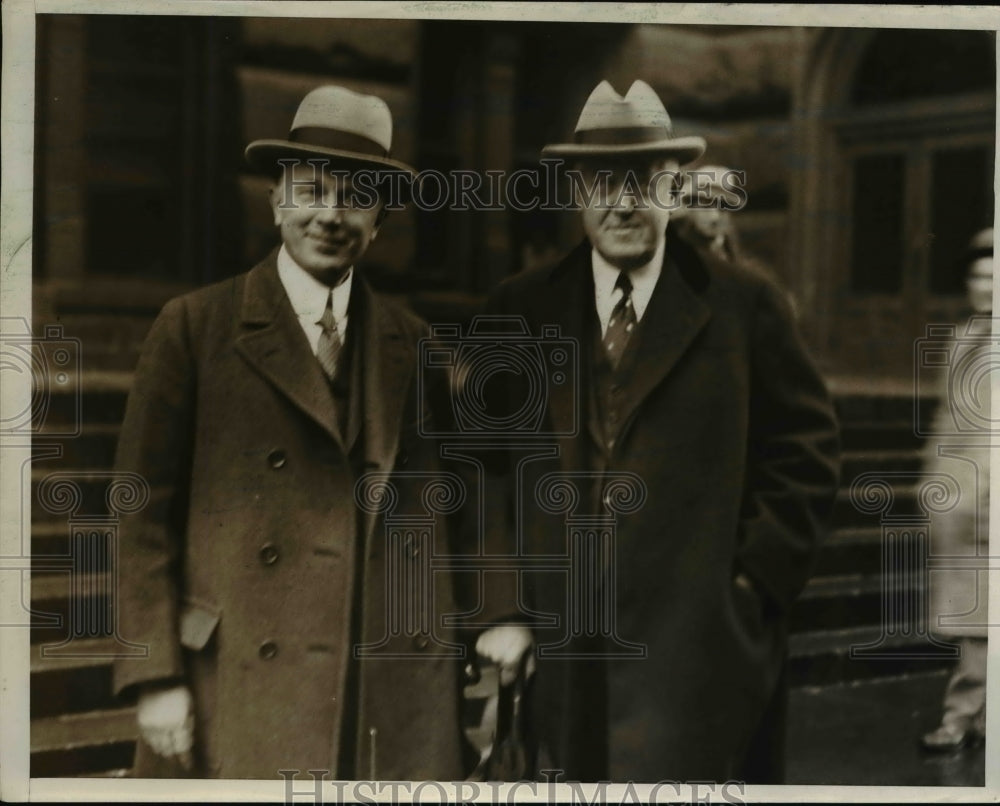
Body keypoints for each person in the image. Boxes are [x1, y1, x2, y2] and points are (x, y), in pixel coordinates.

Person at [475, 80, 841, 782]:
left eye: (644, 180)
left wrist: (750, 584)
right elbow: (481, 470)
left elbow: (808, 453)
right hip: (564, 652)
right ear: (576, 189)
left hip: (697, 654)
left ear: (674, 189)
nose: (623, 201)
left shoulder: (744, 305)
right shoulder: (517, 310)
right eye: (604, 181)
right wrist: (501, 607)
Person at [112, 85, 465, 780]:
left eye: (356, 197)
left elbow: (447, 506)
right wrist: (155, 674)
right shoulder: (194, 328)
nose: (330, 215)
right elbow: (138, 512)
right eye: (311, 190)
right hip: (234, 675)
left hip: (377, 680)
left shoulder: (412, 345)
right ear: (277, 200)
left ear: (381, 221)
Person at [921, 227, 993, 753]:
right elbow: (948, 420)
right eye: (978, 277)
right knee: (972, 614)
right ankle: (965, 715)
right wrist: (935, 480)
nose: (986, 287)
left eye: (995, 277)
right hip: (965, 492)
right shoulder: (963, 338)